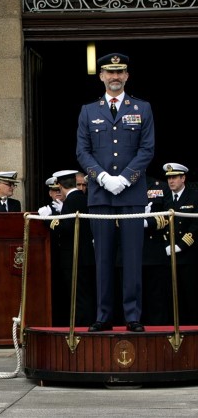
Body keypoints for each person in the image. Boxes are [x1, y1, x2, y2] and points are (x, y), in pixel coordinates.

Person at [76, 52, 155, 333]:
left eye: (120, 72)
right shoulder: (89, 110)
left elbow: (147, 150)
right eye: (110, 73)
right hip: (101, 195)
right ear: (101, 77)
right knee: (103, 258)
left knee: (133, 256)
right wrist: (103, 178)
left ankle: (133, 316)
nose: (115, 77)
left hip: (131, 195)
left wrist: (125, 178)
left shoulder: (142, 108)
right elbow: (82, 151)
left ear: (127, 76)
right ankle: (103, 315)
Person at [49, 170, 96, 327]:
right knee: (84, 293)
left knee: (79, 295)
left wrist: (48, 219)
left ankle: (82, 326)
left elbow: (66, 227)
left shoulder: (72, 200)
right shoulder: (81, 197)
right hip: (84, 256)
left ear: (60, 185)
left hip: (75, 256)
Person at [162, 163, 198, 325]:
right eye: (169, 178)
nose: (171, 181)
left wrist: (181, 246)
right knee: (170, 296)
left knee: (190, 294)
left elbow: (196, 225)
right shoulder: (165, 197)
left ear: (183, 178)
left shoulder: (194, 196)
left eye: (175, 177)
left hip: (188, 254)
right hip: (167, 253)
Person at [141, 175, 172, 325]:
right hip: (127, 251)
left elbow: (169, 215)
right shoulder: (120, 185)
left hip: (154, 250)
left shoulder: (159, 186)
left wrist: (147, 222)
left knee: (157, 298)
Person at [37, 176, 65, 326]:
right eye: (54, 190)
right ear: (50, 193)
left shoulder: (72, 205)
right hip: (53, 256)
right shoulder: (46, 210)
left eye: (60, 189)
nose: (58, 193)